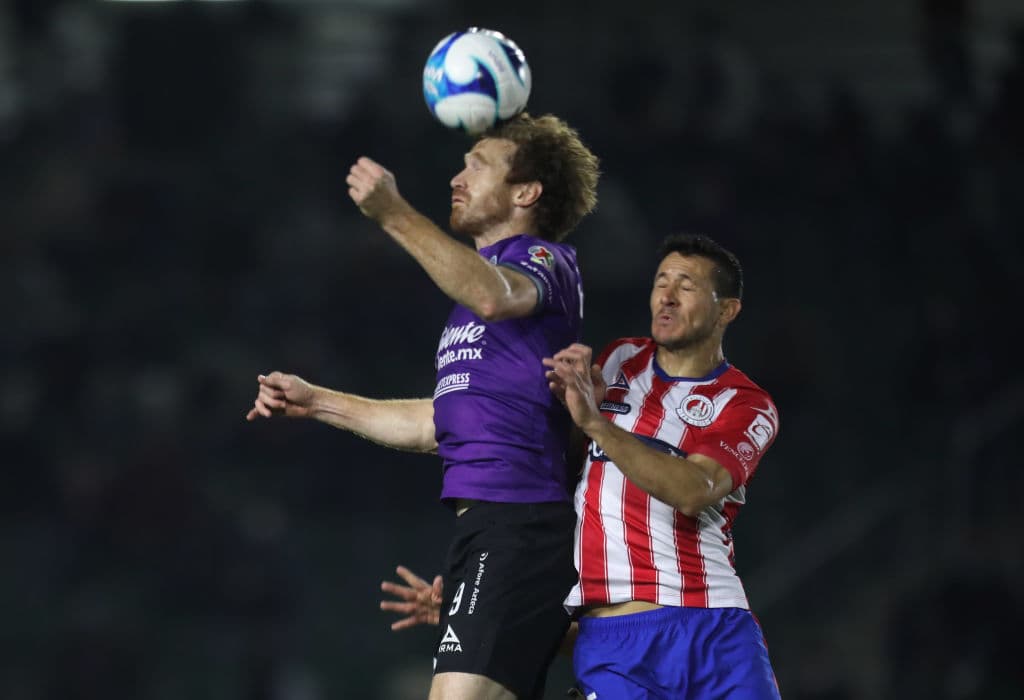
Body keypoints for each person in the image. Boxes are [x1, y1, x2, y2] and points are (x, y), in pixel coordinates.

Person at [247, 113, 600, 700]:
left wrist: (392, 213)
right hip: (487, 529)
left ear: (526, 192)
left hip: (521, 522)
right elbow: (439, 423)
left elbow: (492, 292)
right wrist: (318, 402)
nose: (458, 176)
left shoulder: (545, 263)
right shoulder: (469, 310)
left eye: (478, 165)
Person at [383, 233, 782, 699]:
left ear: (727, 310)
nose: (667, 297)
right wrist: (485, 608)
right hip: (609, 640)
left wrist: (596, 425)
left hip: (712, 626)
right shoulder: (618, 361)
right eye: (661, 282)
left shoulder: (745, 403)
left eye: (687, 285)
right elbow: (562, 467)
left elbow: (694, 489)